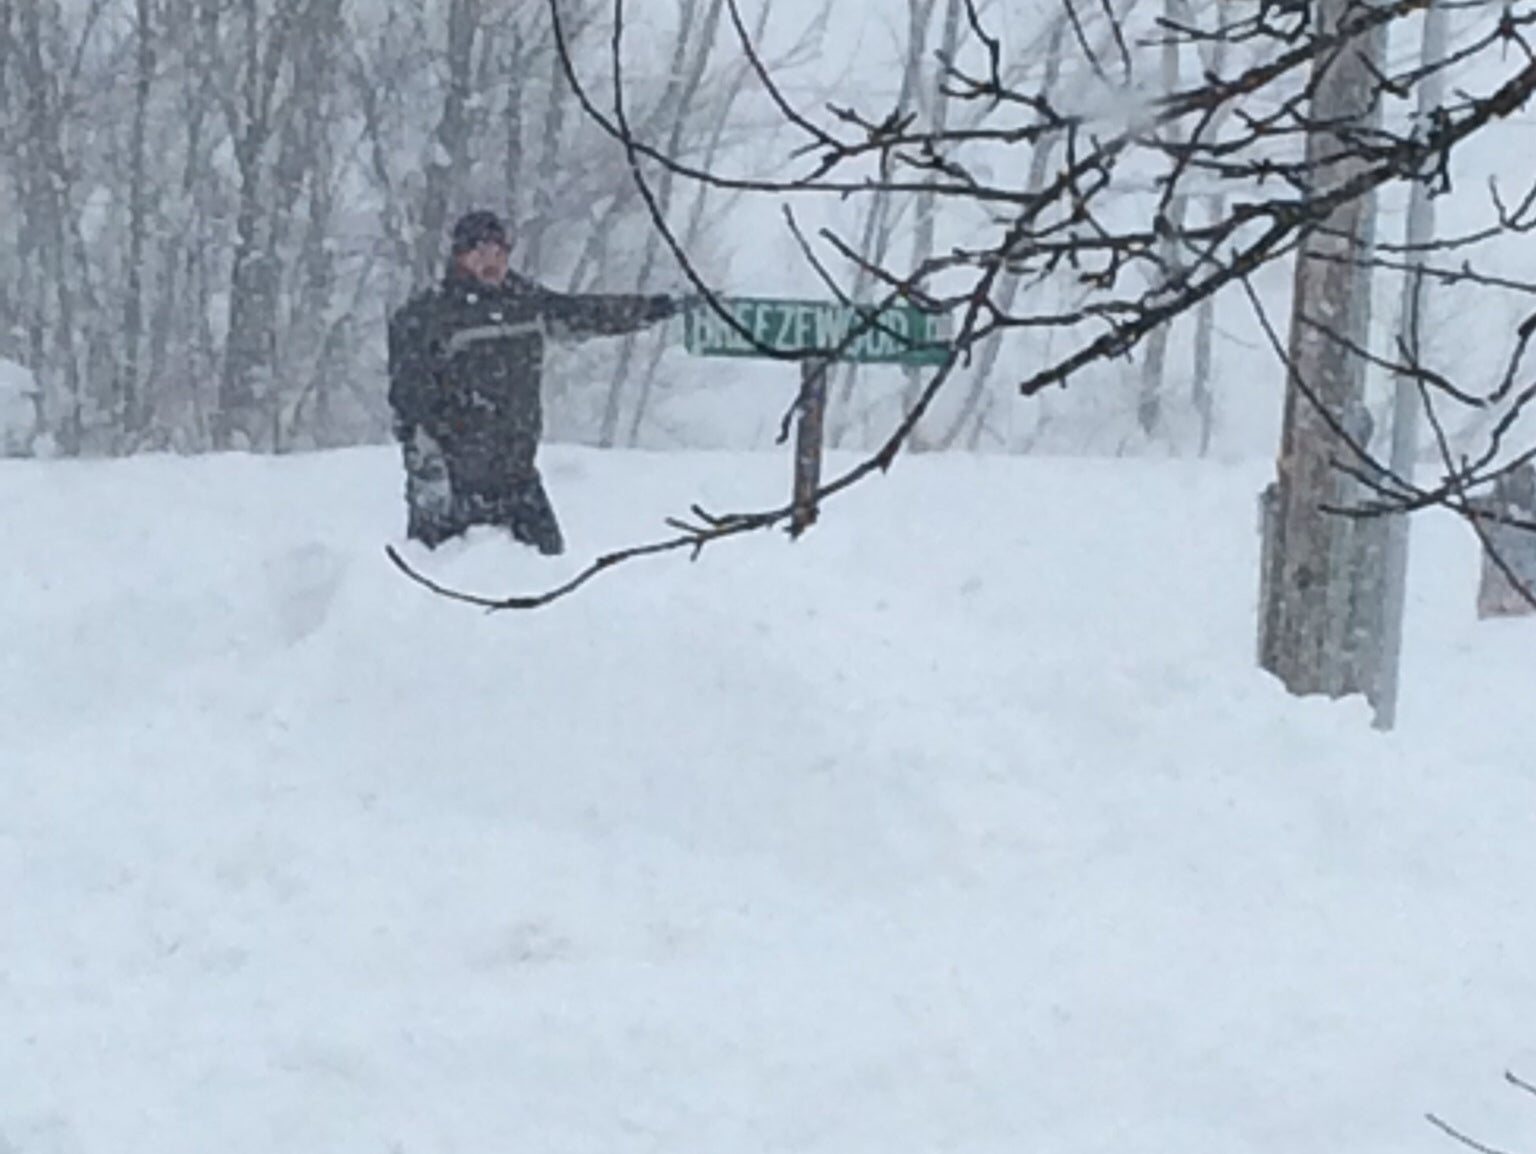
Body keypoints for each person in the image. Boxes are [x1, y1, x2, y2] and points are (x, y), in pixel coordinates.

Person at [387, 210, 681, 553]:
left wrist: (652, 309)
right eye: (481, 253)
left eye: (499, 253)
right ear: (460, 256)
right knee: (443, 582)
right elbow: (409, 405)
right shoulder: (426, 317)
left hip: (517, 477)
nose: (492, 263)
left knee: (548, 575)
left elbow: (585, 313)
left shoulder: (523, 302)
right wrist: (429, 478)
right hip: (454, 480)